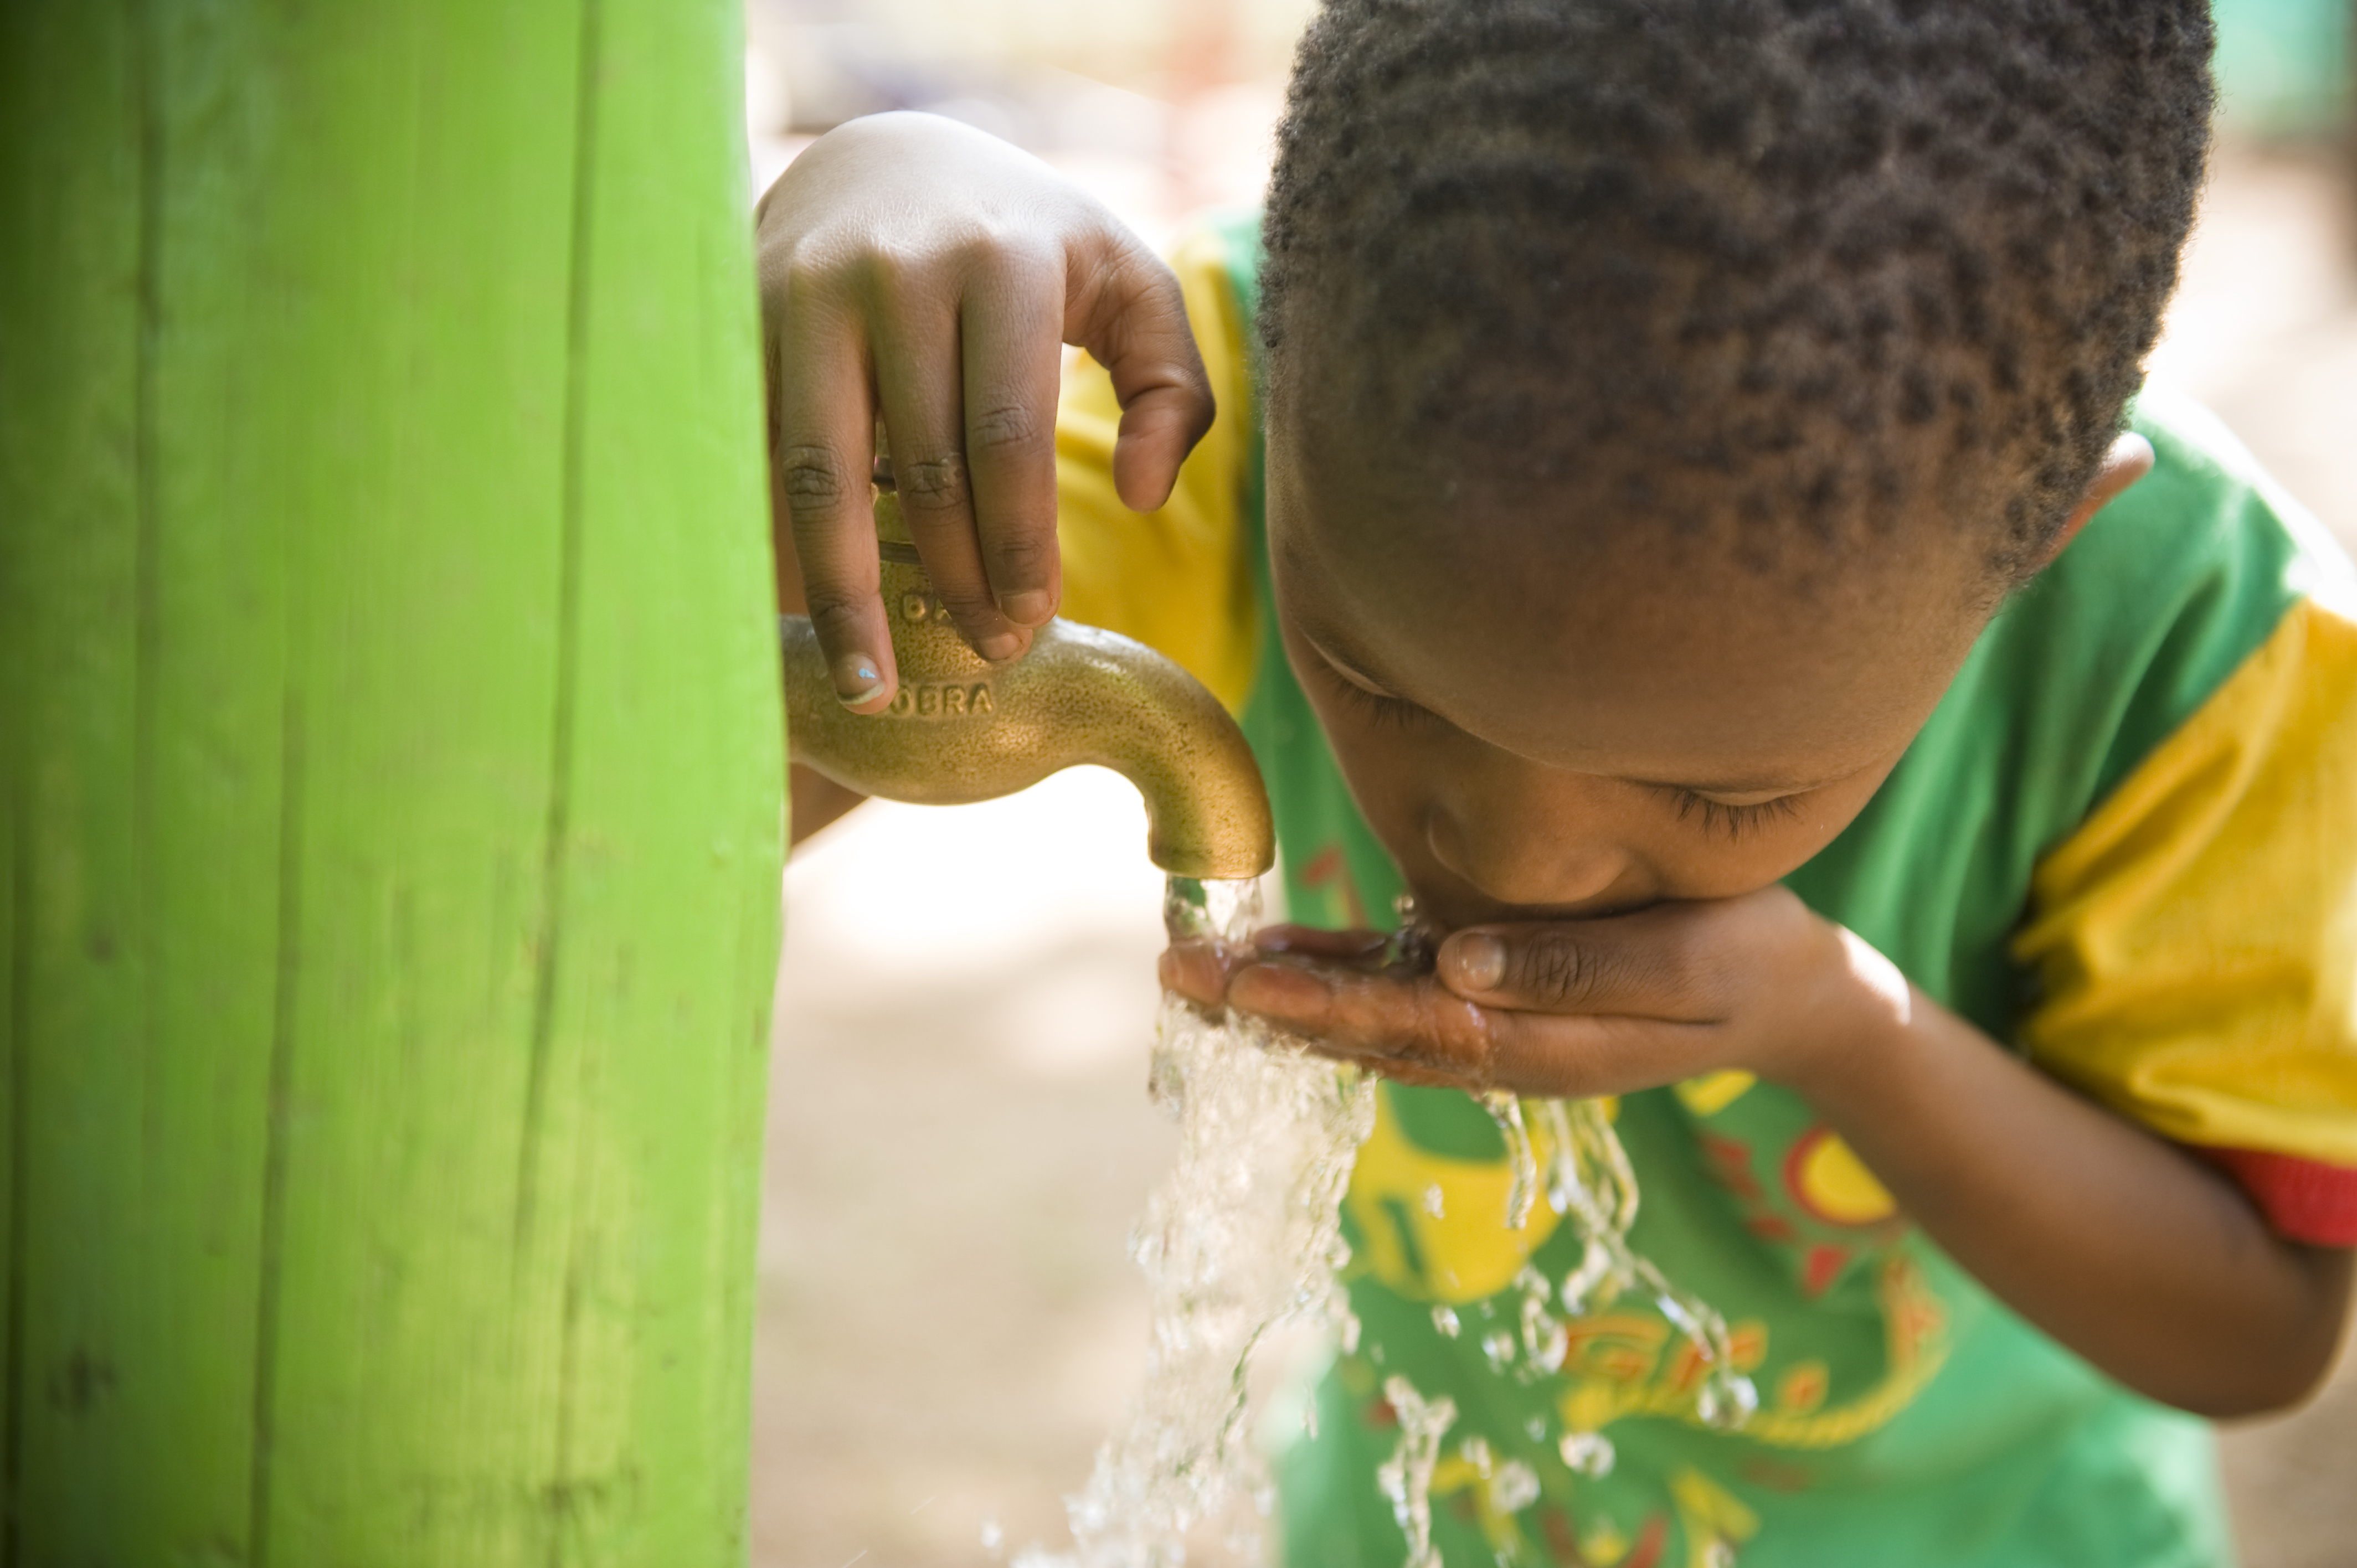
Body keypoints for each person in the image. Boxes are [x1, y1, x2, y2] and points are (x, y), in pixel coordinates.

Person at [757, 1, 2357, 1561]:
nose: (1514, 867)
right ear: (1277, 371)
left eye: (1725, 793)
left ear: (2039, 546)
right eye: (1377, 680)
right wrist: (832, 310)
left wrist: (1840, 1032)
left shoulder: (2200, 663)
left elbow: (2260, 1329)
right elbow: (701, 784)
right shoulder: (1215, 415)